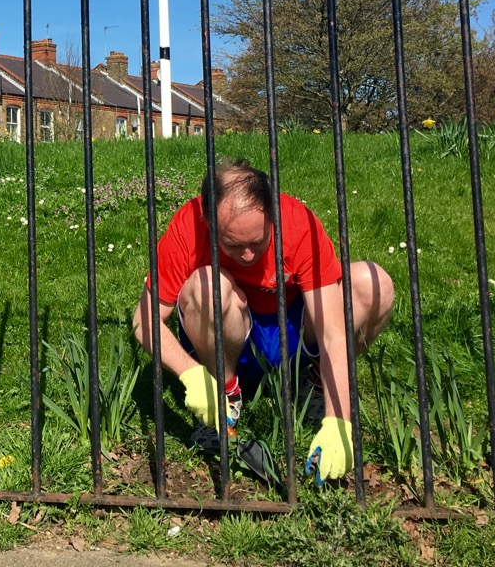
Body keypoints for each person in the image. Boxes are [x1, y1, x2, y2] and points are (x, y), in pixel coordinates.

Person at [131, 158, 393, 482]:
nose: (247, 256)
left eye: (258, 242)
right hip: (231, 335)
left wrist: (340, 421)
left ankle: (314, 388)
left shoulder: (298, 224)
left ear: (272, 215)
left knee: (372, 282)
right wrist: (190, 375)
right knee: (205, 286)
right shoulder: (189, 225)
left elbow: (333, 332)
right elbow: (144, 319)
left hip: (294, 331)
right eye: (232, 244)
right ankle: (224, 395)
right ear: (208, 221)